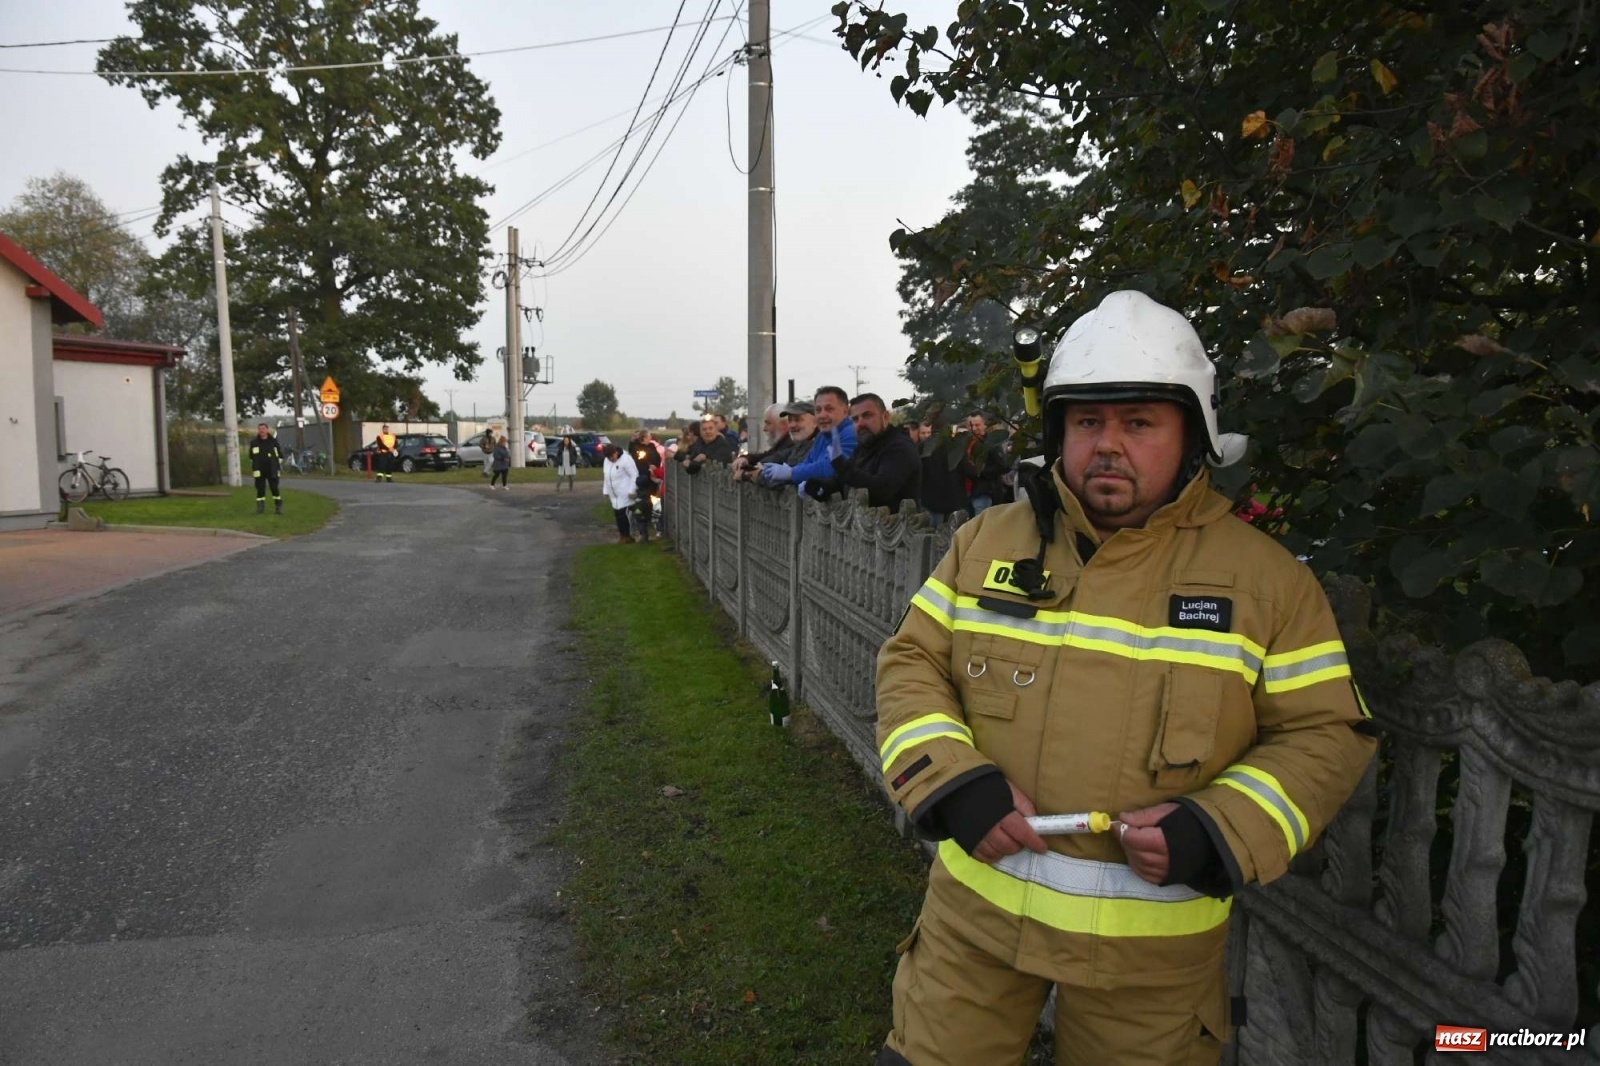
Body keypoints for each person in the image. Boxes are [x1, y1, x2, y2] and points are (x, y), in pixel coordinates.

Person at [873, 290, 1376, 1066]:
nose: (1108, 445)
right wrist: (953, 782)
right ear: (1059, 433)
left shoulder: (1267, 585)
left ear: (1194, 437)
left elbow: (1327, 732)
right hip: (972, 929)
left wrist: (1219, 829)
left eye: (1139, 423)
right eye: (1087, 422)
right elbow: (913, 661)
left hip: (1150, 970)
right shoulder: (985, 545)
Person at [803, 393, 921, 510]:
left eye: (867, 416)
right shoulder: (865, 445)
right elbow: (848, 480)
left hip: (891, 526)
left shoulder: (900, 448)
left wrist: (840, 464)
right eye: (855, 419)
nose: (861, 423)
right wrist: (823, 487)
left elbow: (883, 489)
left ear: (885, 417)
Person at [759, 386, 857, 493]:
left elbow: (831, 467)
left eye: (829, 409)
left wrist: (791, 473)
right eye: (818, 410)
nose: (822, 415)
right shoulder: (824, 435)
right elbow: (808, 462)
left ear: (845, 412)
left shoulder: (850, 434)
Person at [918, 409, 970, 524]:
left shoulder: (923, 447)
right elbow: (968, 470)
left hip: (931, 501)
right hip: (954, 499)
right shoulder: (955, 446)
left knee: (933, 536)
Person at [961, 411, 1006, 513]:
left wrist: (980, 471)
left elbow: (1002, 466)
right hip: (968, 491)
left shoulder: (991, 442)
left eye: (977, 425)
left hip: (984, 492)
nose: (974, 428)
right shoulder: (967, 443)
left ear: (984, 425)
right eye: (971, 425)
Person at [601, 443, 641, 543]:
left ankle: (628, 535)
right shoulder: (607, 461)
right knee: (617, 514)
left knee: (623, 514)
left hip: (625, 492)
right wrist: (606, 491)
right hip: (614, 493)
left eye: (612, 456)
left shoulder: (626, 459)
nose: (611, 459)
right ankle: (623, 535)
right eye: (608, 458)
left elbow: (634, 475)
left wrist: (632, 490)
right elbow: (606, 476)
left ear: (616, 452)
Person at [250, 422, 283, 515]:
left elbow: (280, 456)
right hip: (259, 470)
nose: (262, 431)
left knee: (274, 488)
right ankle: (260, 507)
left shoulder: (273, 442)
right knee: (260, 489)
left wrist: (276, 466)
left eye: (263, 429)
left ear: (267, 430)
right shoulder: (254, 443)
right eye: (260, 429)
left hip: (272, 469)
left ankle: (278, 505)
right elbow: (251, 457)